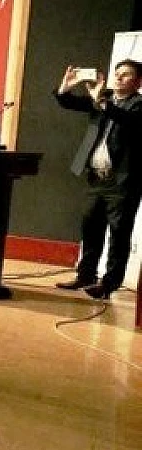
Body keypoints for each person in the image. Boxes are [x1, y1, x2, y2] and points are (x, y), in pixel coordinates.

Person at [53, 60, 142, 299]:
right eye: (117, 73)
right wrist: (66, 86)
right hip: (96, 178)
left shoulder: (138, 105)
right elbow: (68, 102)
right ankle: (86, 275)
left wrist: (101, 101)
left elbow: (127, 120)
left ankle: (109, 284)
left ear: (138, 82)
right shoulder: (105, 98)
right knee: (90, 227)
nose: (119, 78)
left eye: (126, 75)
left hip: (122, 181)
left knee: (118, 234)